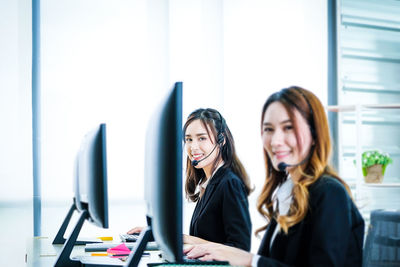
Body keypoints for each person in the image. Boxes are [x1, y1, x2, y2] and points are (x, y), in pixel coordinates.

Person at [184, 86, 365, 266]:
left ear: (315, 134)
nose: (275, 141)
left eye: (288, 127)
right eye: (269, 129)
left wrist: (249, 260)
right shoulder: (288, 193)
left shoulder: (330, 193)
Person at [128, 108, 253, 251]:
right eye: (188, 139)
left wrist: (184, 238)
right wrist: (159, 234)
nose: (193, 147)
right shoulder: (210, 183)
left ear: (221, 140)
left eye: (202, 138)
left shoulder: (229, 183)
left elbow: (240, 249)